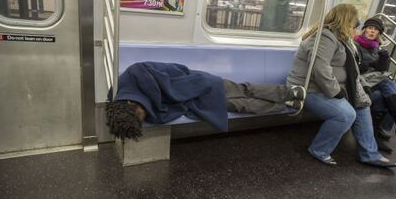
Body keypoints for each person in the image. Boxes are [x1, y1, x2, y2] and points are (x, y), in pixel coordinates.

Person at [286, 3, 396, 168]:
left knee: (362, 103)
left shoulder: (342, 39)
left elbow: (353, 71)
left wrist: (363, 86)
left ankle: (369, 153)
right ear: (345, 21)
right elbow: (320, 69)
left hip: (329, 86)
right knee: (345, 114)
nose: (357, 26)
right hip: (307, 88)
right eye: (354, 23)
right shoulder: (324, 37)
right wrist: (335, 92)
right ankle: (319, 149)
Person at [106, 61, 306, 140]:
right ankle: (284, 105)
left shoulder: (136, 73)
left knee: (246, 90)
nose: (147, 115)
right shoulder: (122, 110)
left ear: (131, 104)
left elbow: (174, 70)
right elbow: (162, 111)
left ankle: (289, 92)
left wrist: (179, 90)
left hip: (198, 83)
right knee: (242, 104)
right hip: (195, 102)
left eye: (142, 112)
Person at [354, 17, 396, 141]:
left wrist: (384, 59)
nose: (372, 31)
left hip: (373, 80)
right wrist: (371, 64)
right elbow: (356, 67)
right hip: (361, 83)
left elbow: (381, 70)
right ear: (364, 30)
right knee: (387, 82)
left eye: (376, 29)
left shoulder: (376, 46)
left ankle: (383, 128)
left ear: (379, 33)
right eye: (370, 28)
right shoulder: (356, 44)